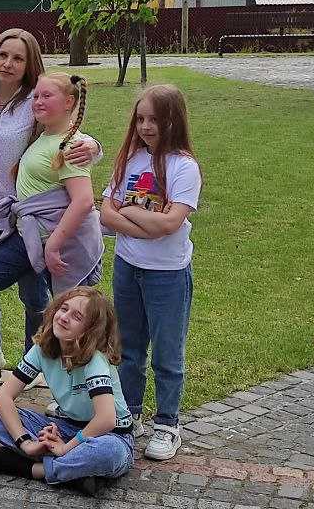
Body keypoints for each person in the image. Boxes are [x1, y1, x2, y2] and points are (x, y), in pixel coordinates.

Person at [0, 30, 100, 384]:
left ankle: (35, 363)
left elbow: (68, 133)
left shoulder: (35, 101)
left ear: (30, 66)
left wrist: (93, 147)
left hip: (33, 219)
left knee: (33, 292)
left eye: (18, 58)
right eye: (2, 55)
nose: (8, 64)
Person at [99, 84, 201, 461]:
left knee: (167, 353)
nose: (145, 126)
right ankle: (130, 414)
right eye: (140, 119)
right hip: (128, 267)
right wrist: (146, 223)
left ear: (173, 120)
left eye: (154, 119)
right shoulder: (130, 159)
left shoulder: (183, 167)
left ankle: (167, 423)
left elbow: (171, 224)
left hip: (167, 274)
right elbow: (105, 213)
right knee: (128, 348)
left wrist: (128, 213)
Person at [0, 287, 135, 495]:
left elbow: (106, 420)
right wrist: (26, 443)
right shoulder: (42, 348)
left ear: (91, 330)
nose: (64, 317)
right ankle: (74, 472)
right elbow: (3, 397)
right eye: (63, 309)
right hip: (65, 427)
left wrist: (65, 448)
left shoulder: (95, 360)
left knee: (110, 452)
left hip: (109, 435)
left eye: (77, 317)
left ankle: (34, 469)